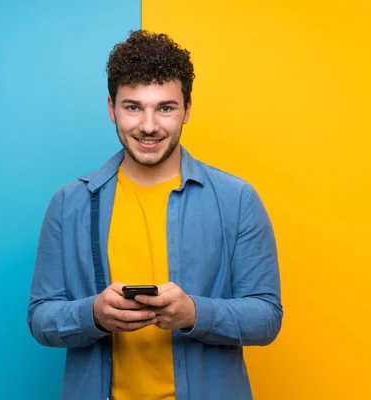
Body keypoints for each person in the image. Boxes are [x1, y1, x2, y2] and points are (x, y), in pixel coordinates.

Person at [27, 29, 283, 400]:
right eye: (133, 107)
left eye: (165, 107)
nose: (148, 126)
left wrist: (195, 313)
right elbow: (39, 319)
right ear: (111, 108)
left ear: (188, 109)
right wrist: (93, 315)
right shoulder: (69, 204)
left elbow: (267, 316)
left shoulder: (237, 199)